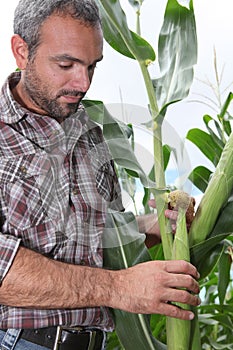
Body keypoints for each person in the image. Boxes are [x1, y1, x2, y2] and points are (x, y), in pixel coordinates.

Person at [0, 0, 200, 349]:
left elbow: (99, 240)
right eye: (66, 64)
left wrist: (149, 226)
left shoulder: (97, 134)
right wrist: (118, 287)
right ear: (21, 50)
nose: (83, 83)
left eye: (92, 66)